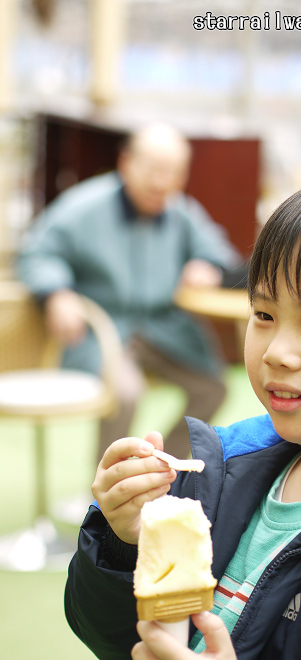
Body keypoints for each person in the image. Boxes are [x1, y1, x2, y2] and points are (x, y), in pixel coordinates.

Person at [65, 163, 301, 659]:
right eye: (263, 315)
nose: (276, 352)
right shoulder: (220, 470)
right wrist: (122, 542)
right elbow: (113, 637)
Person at [16, 122, 241, 461]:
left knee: (214, 388)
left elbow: (218, 251)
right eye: (154, 170)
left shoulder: (180, 210)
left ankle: (158, 465)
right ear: (126, 163)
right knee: (124, 393)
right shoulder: (84, 206)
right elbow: (37, 252)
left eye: (174, 173)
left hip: (166, 329)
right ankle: (108, 482)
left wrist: (206, 264)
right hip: (104, 328)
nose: (162, 183)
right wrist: (56, 292)